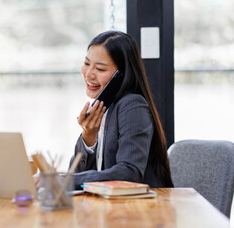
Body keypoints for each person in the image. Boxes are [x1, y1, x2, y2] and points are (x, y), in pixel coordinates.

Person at [70, 30, 174, 189]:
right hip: (106, 207)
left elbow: (129, 173)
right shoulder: (103, 109)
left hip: (142, 209)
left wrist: (61, 180)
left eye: (100, 69)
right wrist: (88, 138)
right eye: (86, 64)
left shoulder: (132, 105)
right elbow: (76, 177)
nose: (88, 74)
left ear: (121, 75)